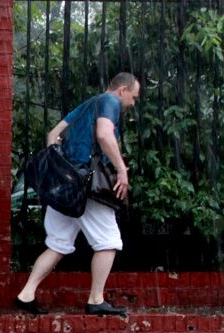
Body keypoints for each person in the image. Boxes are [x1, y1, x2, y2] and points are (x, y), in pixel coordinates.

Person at [15, 72, 141, 317]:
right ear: (122, 90)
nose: (132, 103)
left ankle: (26, 294)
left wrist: (61, 168)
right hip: (88, 187)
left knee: (58, 244)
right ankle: (96, 300)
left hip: (65, 187)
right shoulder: (110, 101)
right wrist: (121, 170)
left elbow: (53, 135)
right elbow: (104, 135)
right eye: (133, 97)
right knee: (108, 241)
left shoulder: (88, 104)